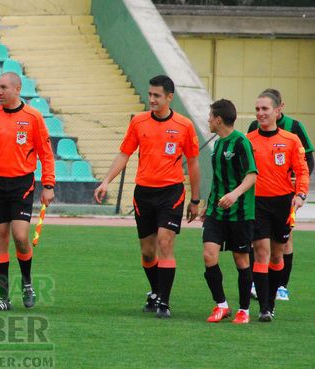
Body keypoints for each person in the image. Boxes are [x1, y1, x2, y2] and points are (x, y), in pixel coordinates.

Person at [94, 75, 201, 318]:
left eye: (157, 95)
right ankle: (156, 293)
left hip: (171, 193)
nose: (151, 99)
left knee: (165, 243)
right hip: (143, 193)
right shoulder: (139, 123)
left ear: (169, 97)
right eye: (150, 94)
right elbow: (124, 154)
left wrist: (195, 199)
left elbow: (193, 164)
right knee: (147, 251)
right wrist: (106, 181)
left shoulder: (184, 125)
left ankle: (164, 302)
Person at [0, 72, 55, 311]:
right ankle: (3, 298)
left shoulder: (33, 117)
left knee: (20, 237)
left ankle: (27, 283)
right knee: (0, 238)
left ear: (17, 89)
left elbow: (46, 154)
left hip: (22, 184)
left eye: (4, 87)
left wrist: (48, 185)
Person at [246, 91, 309, 322]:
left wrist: (300, 194)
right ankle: (263, 307)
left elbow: (302, 170)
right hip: (257, 203)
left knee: (277, 254)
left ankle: (271, 301)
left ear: (277, 111)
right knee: (261, 252)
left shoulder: (291, 139)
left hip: (282, 202)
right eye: (258, 109)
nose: (260, 113)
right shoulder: (249, 140)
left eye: (265, 109)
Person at [199, 99, 257, 324]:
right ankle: (221, 305)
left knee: (241, 260)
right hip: (217, 211)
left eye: (210, 116)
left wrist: (234, 195)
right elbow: (219, 179)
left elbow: (252, 175)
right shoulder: (218, 144)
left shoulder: (241, 142)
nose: (208, 120)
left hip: (240, 213)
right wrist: (208, 203)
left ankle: (244, 310)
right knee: (208, 255)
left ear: (219, 119)